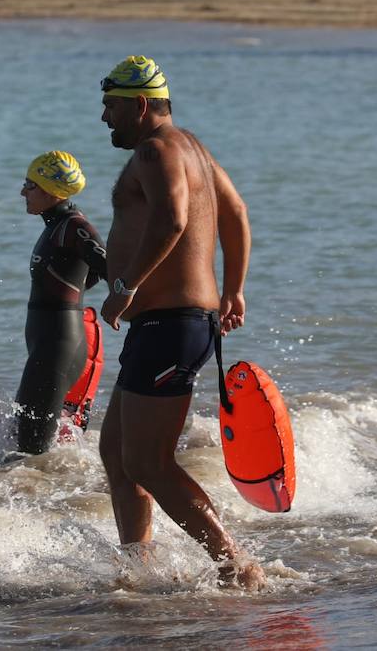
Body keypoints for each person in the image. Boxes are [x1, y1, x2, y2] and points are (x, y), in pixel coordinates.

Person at [96, 55, 265, 590]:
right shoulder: (192, 146)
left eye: (112, 106)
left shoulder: (156, 149)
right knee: (117, 453)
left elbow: (173, 217)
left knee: (147, 460)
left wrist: (126, 287)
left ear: (141, 105)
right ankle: (136, 569)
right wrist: (234, 287)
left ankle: (236, 565)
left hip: (171, 323)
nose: (105, 118)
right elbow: (235, 212)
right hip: (174, 324)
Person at [16, 150, 107, 454]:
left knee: (28, 452)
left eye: (29, 186)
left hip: (58, 346)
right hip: (49, 344)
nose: (22, 192)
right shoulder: (56, 226)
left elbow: (111, 266)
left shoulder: (72, 226)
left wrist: (123, 303)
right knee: (27, 442)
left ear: (50, 189)